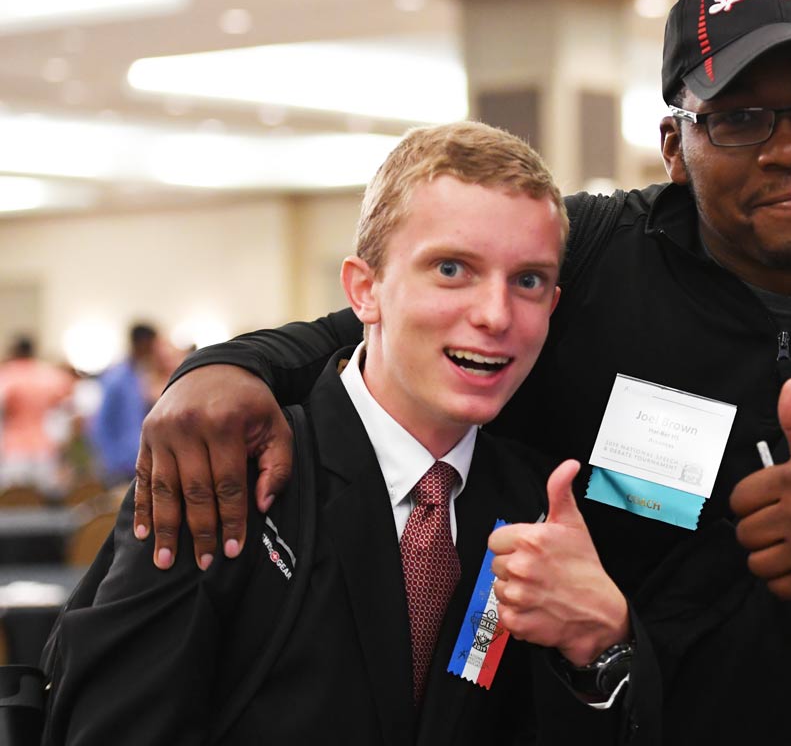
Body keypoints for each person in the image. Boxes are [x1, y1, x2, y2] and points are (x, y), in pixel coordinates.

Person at [135, 0, 791, 744]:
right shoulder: (601, 257)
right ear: (674, 144)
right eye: (739, 117)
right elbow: (383, 324)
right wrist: (222, 370)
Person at [43, 123, 653, 745]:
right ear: (365, 290)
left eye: (528, 280)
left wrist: (597, 649)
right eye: (451, 269)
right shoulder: (224, 474)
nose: (495, 315)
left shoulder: (537, 505)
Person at [87, 322, 161, 485]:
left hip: (136, 461)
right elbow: (100, 423)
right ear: (143, 343)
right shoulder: (116, 378)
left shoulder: (139, 375)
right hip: (120, 466)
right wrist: (111, 461)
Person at [0, 335, 75, 491]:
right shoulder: (50, 375)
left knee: (14, 501)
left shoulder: (6, 374)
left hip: (14, 449)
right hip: (45, 447)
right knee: (43, 502)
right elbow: (69, 404)